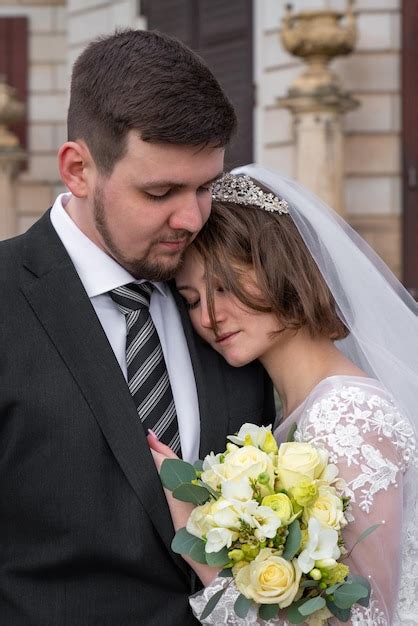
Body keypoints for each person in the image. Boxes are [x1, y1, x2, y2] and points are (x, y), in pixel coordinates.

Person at [0, 32, 275, 625]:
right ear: (78, 169)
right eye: (160, 192)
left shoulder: (233, 298)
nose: (192, 217)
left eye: (206, 186)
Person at [149, 165, 418, 625]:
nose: (210, 315)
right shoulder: (294, 408)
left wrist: (196, 538)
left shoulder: (348, 415)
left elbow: (367, 618)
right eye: (192, 299)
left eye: (224, 285)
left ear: (281, 267)